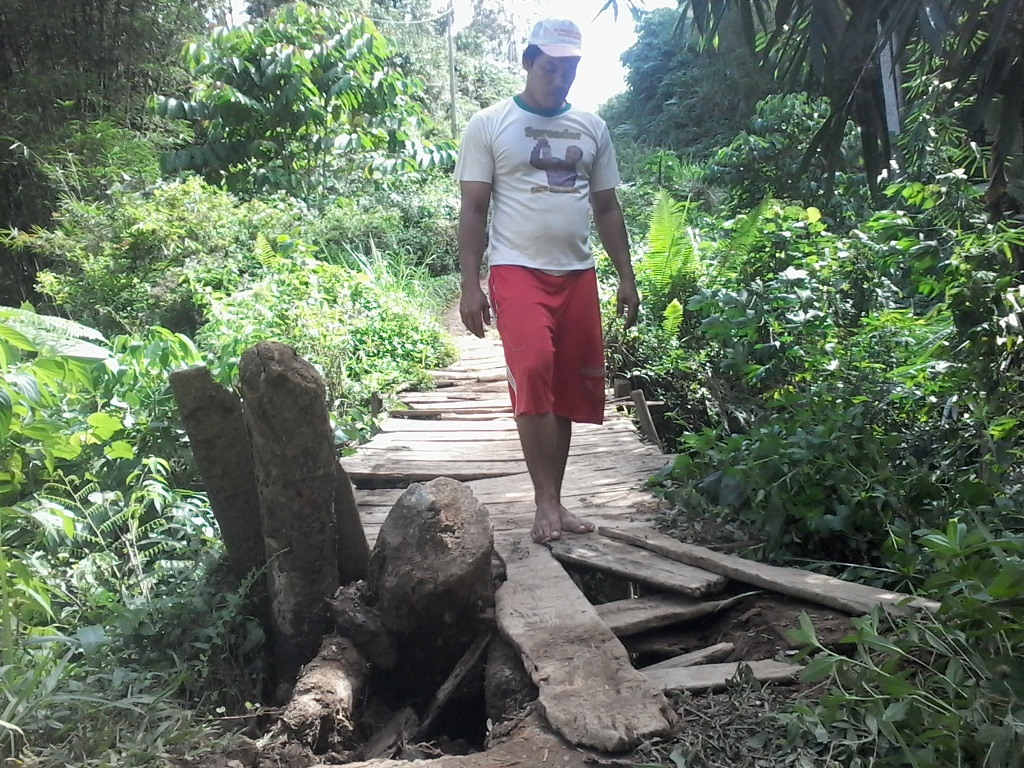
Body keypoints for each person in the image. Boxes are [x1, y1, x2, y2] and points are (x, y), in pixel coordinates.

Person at [454, 18, 639, 544]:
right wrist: (471, 284)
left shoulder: (591, 127)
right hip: (515, 269)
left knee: (565, 388)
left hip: (577, 273)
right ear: (529, 62)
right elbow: (473, 208)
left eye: (571, 68)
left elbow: (607, 208)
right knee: (533, 369)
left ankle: (555, 501)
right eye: (551, 67)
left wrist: (626, 278)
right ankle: (544, 504)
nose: (560, 78)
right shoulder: (490, 123)